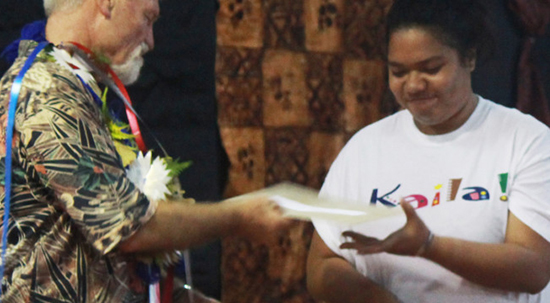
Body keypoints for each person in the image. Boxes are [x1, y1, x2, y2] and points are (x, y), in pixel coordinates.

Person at [0, 0, 290, 302]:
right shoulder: (47, 93)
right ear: (108, 4)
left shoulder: (75, 89)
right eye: (148, 19)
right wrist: (238, 217)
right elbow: (128, 227)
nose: (151, 41)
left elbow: (101, 265)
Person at [306, 0, 550, 302]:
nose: (413, 85)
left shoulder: (526, 141)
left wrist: (430, 246)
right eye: (398, 72)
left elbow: (534, 269)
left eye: (431, 69)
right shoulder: (364, 148)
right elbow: (322, 265)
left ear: (469, 58)